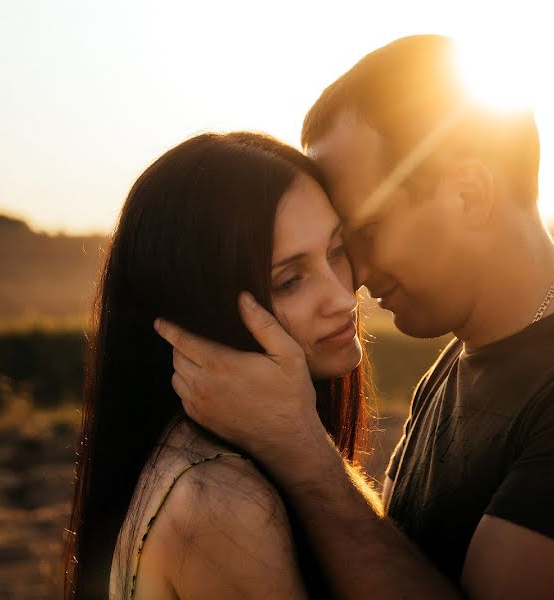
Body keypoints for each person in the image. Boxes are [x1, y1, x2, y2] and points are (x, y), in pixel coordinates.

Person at [155, 35, 554, 599]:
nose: (353, 274)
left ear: (467, 195)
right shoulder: (459, 363)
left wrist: (301, 451)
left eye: (367, 233)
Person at [63, 132, 378, 599]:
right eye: (290, 280)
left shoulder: (204, 466)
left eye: (336, 251)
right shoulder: (224, 503)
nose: (341, 297)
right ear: (206, 309)